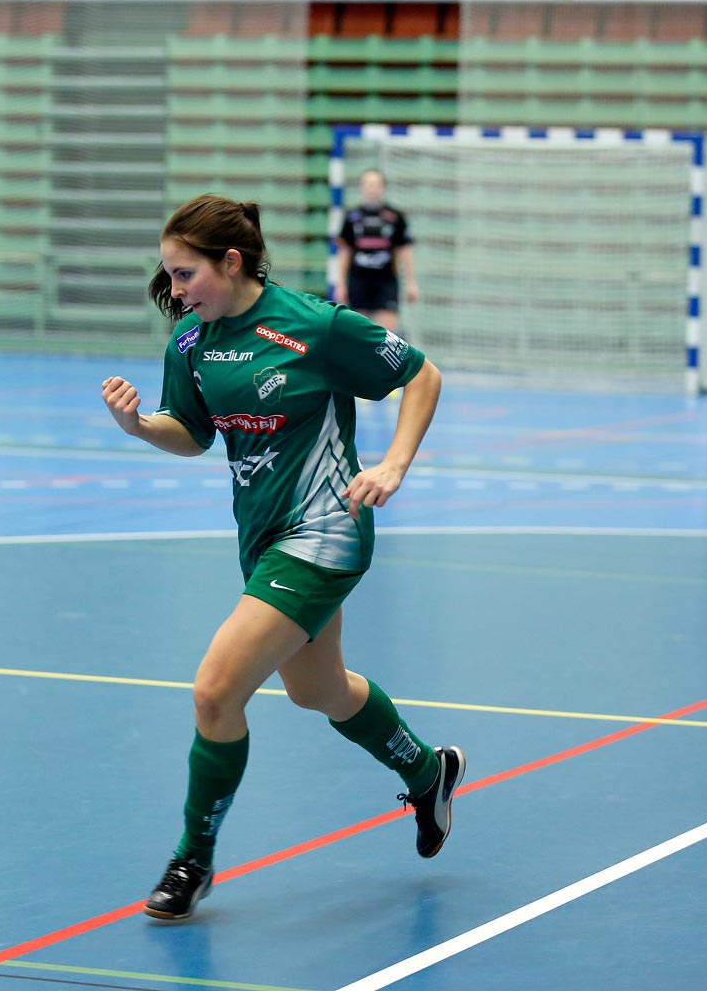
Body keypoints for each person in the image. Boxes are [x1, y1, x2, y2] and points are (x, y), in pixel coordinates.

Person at [101, 194, 464, 922]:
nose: (174, 292)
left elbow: (421, 375)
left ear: (230, 262)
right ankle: (427, 772)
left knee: (214, 692)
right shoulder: (191, 343)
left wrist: (392, 464)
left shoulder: (314, 326)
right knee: (319, 690)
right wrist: (141, 425)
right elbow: (192, 432)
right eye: (169, 277)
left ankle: (191, 860)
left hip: (327, 530)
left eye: (184, 274)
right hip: (262, 535)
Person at [336, 168, 419, 338]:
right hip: (359, 280)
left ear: (383, 187)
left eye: (376, 184)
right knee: (358, 334)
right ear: (362, 187)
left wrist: (411, 283)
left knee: (386, 337)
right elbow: (344, 252)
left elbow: (405, 251)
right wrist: (341, 284)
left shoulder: (396, 217)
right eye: (368, 184)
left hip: (386, 281)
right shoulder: (352, 216)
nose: (372, 188)